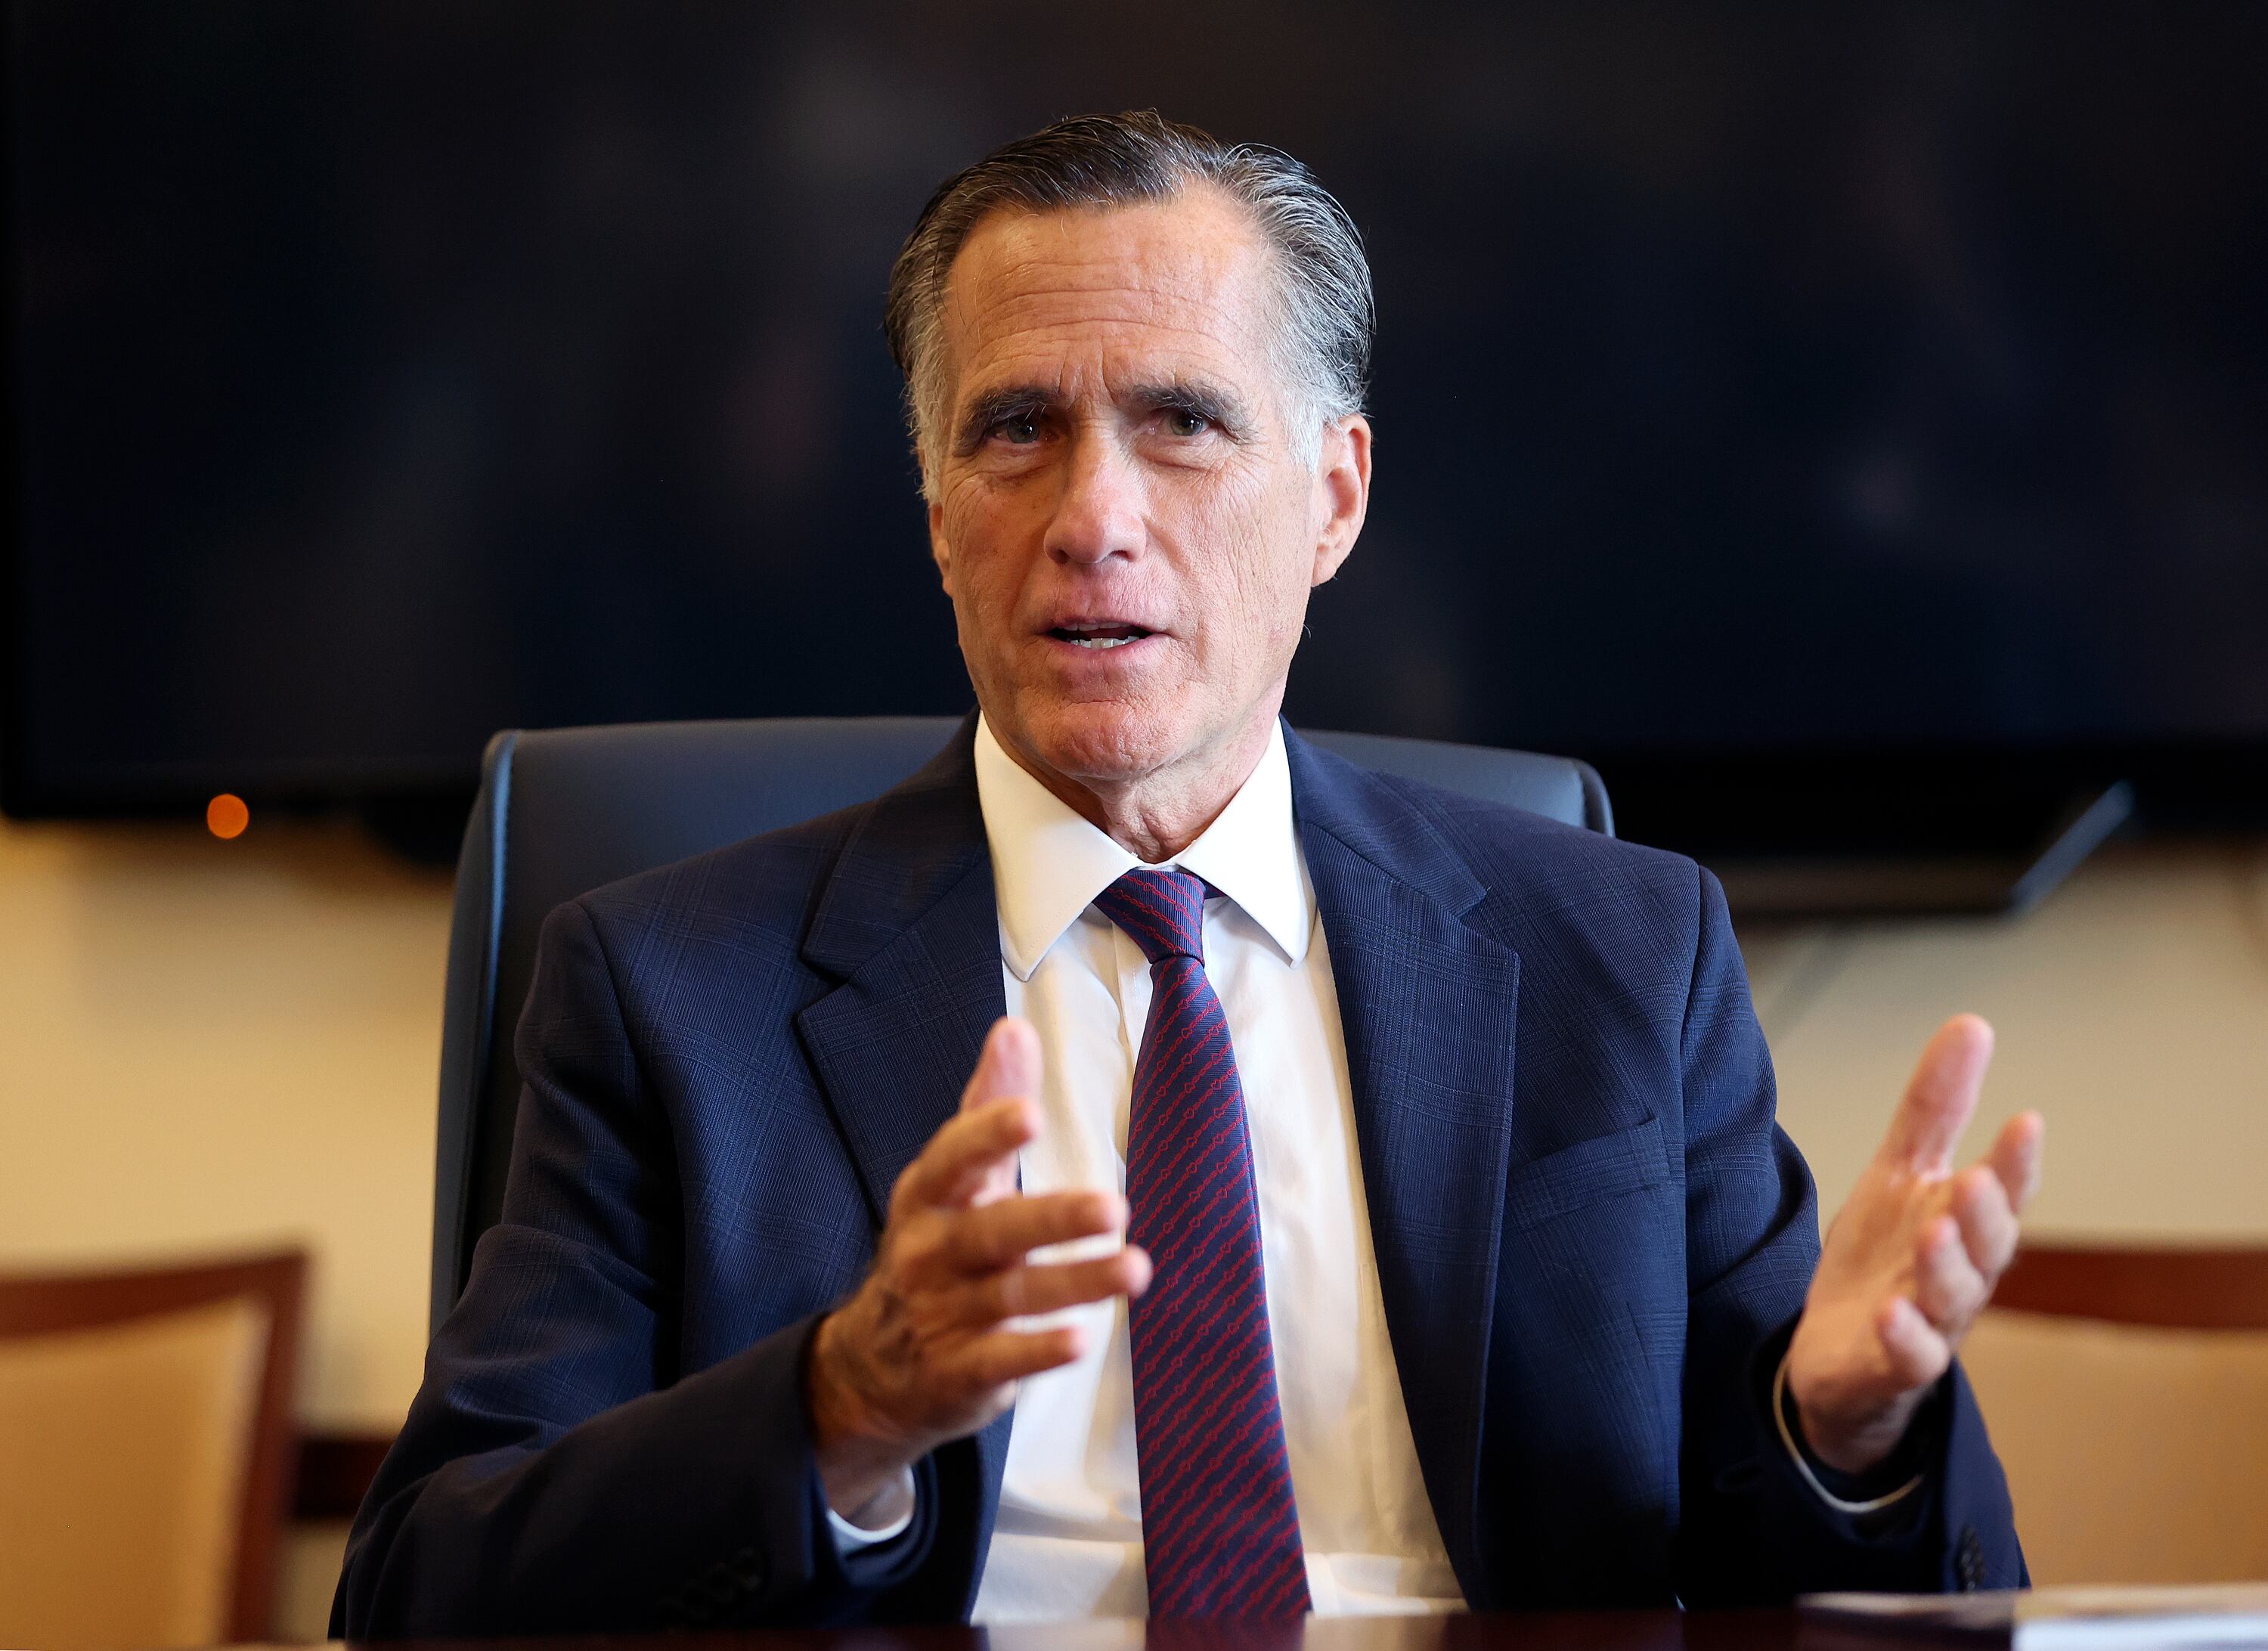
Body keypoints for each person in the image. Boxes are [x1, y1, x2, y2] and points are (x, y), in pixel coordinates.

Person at [335, 112, 2043, 1634]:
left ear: (1333, 497)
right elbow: (426, 1586)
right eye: (1017, 430)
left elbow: (1799, 1571)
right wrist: (835, 1407)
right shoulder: (663, 994)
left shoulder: (1620, 949)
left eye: (1182, 424)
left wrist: (1846, 1433)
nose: (1095, 514)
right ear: (937, 511)